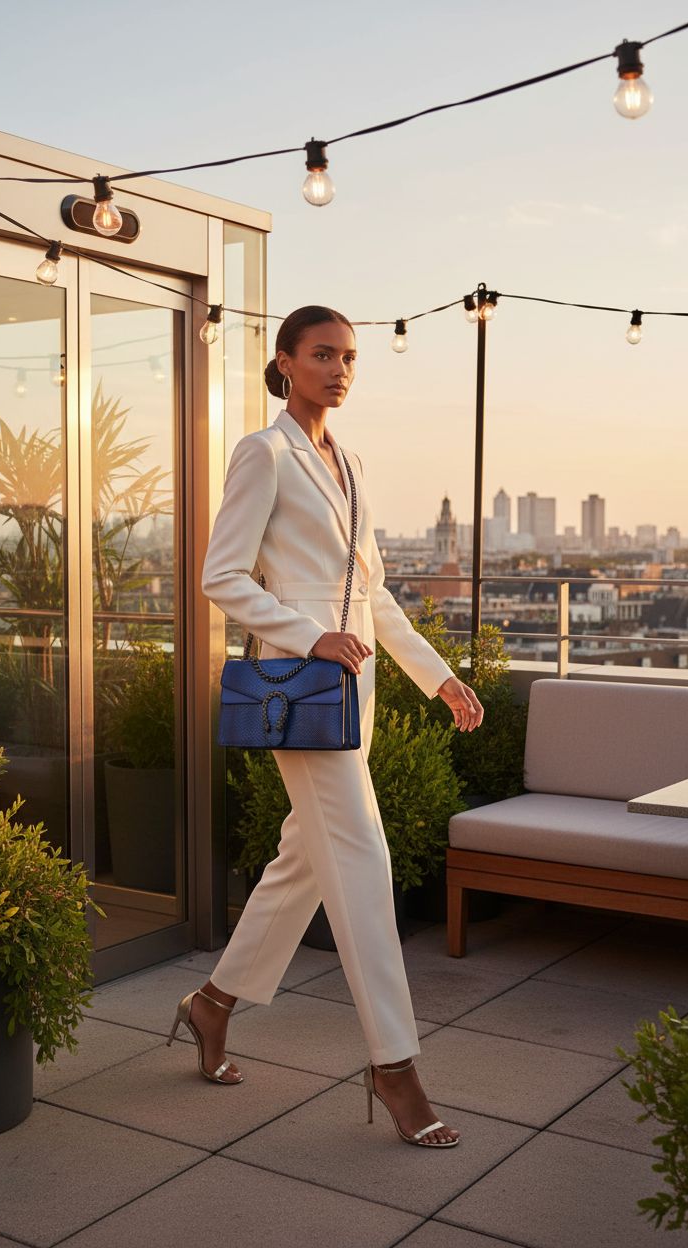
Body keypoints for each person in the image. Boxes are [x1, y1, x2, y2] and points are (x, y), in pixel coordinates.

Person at [169, 305, 484, 1148]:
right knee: (362, 856)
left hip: (359, 692)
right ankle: (394, 1066)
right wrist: (310, 634)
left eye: (349, 357)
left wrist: (439, 676)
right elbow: (221, 575)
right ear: (285, 362)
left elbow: (372, 594)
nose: (339, 369)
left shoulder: (347, 463)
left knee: (301, 861)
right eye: (322, 355)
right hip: (298, 690)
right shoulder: (262, 452)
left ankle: (212, 1003)